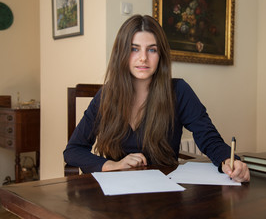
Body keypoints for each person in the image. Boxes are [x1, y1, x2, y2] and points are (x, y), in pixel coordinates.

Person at [63, 14, 250, 182]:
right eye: (134, 49)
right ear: (122, 54)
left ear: (160, 55)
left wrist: (229, 160)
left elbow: (208, 138)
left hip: (164, 193)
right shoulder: (106, 95)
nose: (143, 58)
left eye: (151, 50)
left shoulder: (179, 91)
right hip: (117, 192)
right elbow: (73, 150)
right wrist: (112, 165)